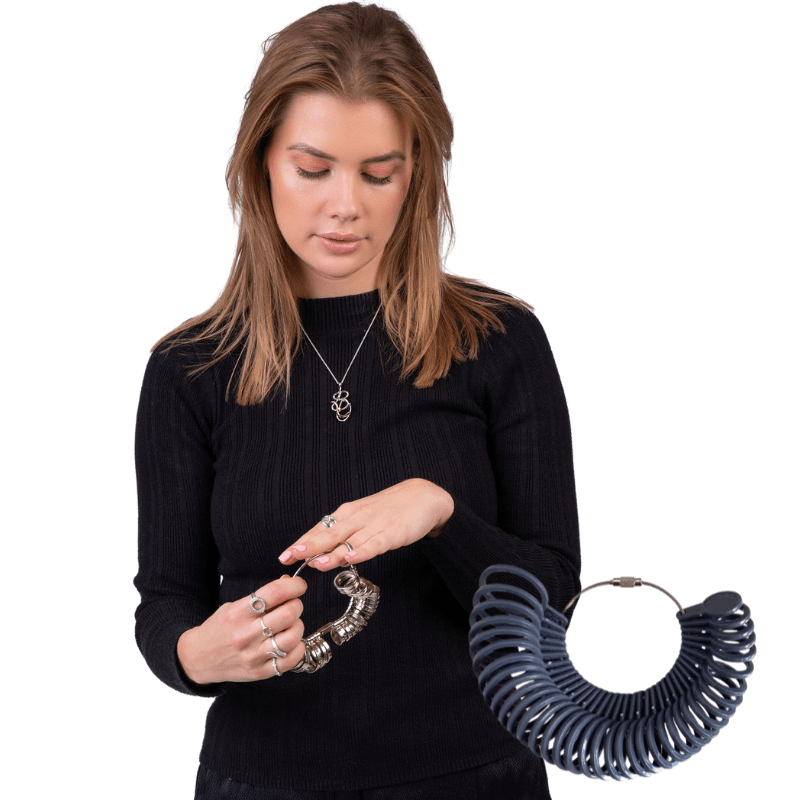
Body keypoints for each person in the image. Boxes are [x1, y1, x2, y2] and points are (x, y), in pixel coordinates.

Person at [133, 3, 581, 798]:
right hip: (261, 782)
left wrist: (440, 514)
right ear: (260, 164)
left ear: (419, 174)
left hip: (474, 779)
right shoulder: (189, 371)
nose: (346, 204)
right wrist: (194, 655)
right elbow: (168, 601)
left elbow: (555, 602)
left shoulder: (500, 342)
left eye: (379, 173)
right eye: (313, 169)